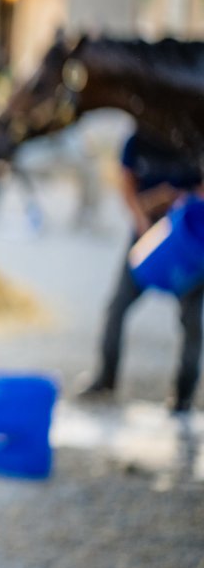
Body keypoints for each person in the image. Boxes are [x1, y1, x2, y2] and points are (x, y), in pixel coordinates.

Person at [79, 129, 204, 414]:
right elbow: (126, 183)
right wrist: (143, 218)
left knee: (192, 320)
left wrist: (178, 199)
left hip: (187, 236)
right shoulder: (137, 140)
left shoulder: (189, 135)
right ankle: (105, 379)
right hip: (146, 232)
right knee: (117, 307)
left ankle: (184, 395)